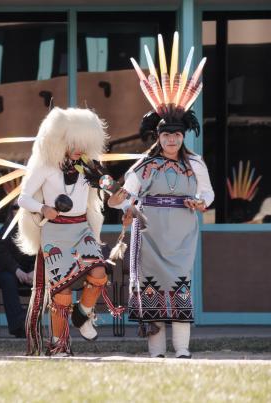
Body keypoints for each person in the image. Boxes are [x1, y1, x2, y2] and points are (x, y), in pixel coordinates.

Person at [108, 32, 214, 358]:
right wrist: (120, 199)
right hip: (151, 232)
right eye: (167, 135)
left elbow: (207, 193)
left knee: (180, 289)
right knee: (152, 292)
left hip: (182, 233)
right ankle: (156, 353)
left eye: (177, 135)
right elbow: (126, 195)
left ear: (184, 136)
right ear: (158, 136)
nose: (172, 140)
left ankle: (182, 350)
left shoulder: (194, 163)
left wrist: (200, 202)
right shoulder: (145, 164)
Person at [18, 106, 119, 357]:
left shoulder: (90, 166)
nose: (78, 148)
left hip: (81, 228)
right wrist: (44, 208)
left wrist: (124, 199)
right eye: (74, 143)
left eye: (83, 143)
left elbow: (111, 188)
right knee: (61, 290)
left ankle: (82, 314)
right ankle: (58, 343)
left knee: (98, 272)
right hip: (54, 232)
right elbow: (23, 198)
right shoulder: (46, 165)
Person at [0, 203, 34, 337]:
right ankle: (19, 326)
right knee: (8, 279)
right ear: (10, 211)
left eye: (22, 207)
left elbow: (41, 253)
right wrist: (16, 270)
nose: (18, 210)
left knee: (43, 278)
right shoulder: (6, 228)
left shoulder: (36, 229)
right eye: (15, 207)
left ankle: (35, 323)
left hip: (29, 273)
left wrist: (34, 271)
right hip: (6, 271)